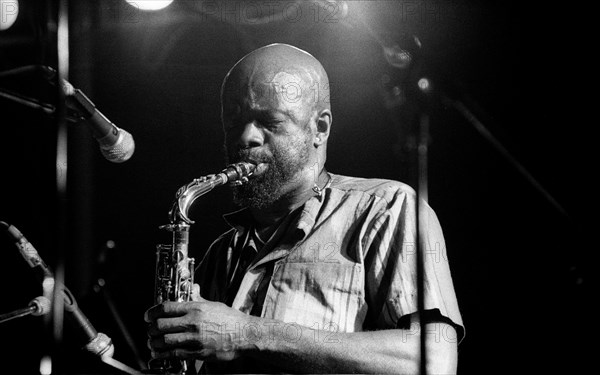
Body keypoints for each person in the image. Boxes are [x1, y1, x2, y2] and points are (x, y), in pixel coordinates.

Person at [145, 43, 464, 374]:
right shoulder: (220, 254)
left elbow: (434, 362)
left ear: (320, 128)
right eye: (233, 121)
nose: (245, 137)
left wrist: (246, 333)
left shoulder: (385, 207)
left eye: (270, 121)